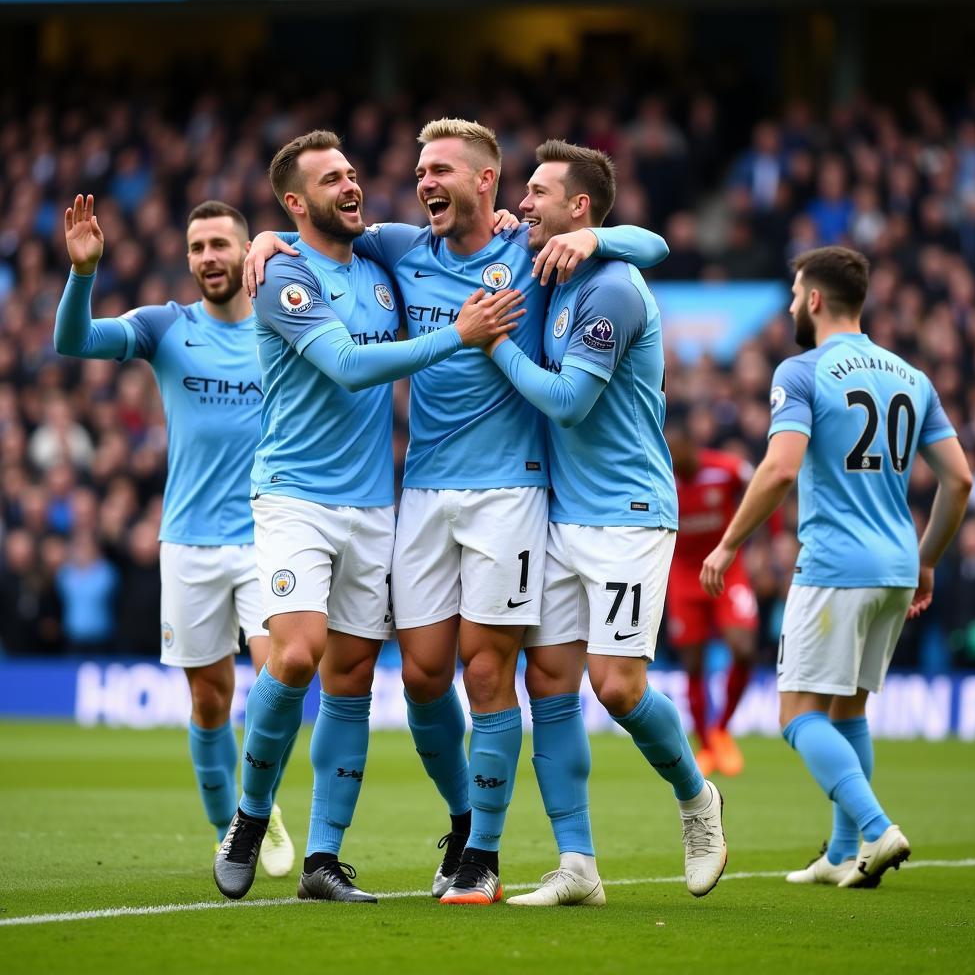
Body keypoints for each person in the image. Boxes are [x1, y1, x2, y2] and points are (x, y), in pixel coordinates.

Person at [245, 119, 669, 906]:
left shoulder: (533, 253)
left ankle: (481, 856)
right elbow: (321, 227)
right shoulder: (402, 248)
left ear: (486, 182)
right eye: (418, 167)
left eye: (439, 167)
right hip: (423, 491)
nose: (422, 178)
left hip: (513, 488)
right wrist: (269, 235)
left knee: (486, 669)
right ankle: (461, 817)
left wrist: (600, 238)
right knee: (424, 673)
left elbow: (653, 249)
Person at [213, 130, 523, 904]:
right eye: (331, 180)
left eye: (352, 174)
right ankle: (251, 817)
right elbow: (349, 367)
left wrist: (514, 220)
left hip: (375, 506)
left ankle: (322, 859)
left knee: (352, 678)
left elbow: (464, 236)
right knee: (296, 655)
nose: (352, 187)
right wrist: (457, 335)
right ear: (295, 204)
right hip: (294, 497)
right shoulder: (286, 276)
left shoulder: (384, 261)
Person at [484, 139, 727, 906]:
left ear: (578, 208)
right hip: (560, 516)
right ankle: (578, 866)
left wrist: (491, 341)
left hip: (627, 515)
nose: (524, 201)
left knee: (617, 688)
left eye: (538, 191)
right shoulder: (552, 270)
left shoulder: (615, 288)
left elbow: (567, 402)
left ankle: (698, 800)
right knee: (548, 683)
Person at [700, 246, 972, 888]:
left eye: (796, 294)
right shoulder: (911, 376)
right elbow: (958, 480)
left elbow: (782, 467)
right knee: (849, 713)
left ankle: (877, 830)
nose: (793, 305)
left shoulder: (801, 372)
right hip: (897, 565)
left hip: (835, 565)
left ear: (815, 299)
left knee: (797, 715)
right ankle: (846, 854)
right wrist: (927, 560)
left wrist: (729, 543)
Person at [55, 194, 295, 877]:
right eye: (197, 248)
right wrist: (82, 274)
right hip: (188, 541)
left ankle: (252, 805)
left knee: (282, 669)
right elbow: (73, 343)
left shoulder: (284, 327)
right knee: (209, 699)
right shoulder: (166, 326)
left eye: (220, 244)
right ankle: (236, 830)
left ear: (245, 251)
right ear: (187, 259)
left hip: (267, 535)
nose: (208, 258)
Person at [665, 415, 758, 777]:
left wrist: (768, 542)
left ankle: (721, 729)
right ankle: (706, 743)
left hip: (726, 569)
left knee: (745, 649)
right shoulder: (662, 476)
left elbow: (765, 491)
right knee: (693, 664)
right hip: (684, 575)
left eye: (677, 452)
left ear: (692, 447)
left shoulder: (727, 470)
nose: (672, 460)